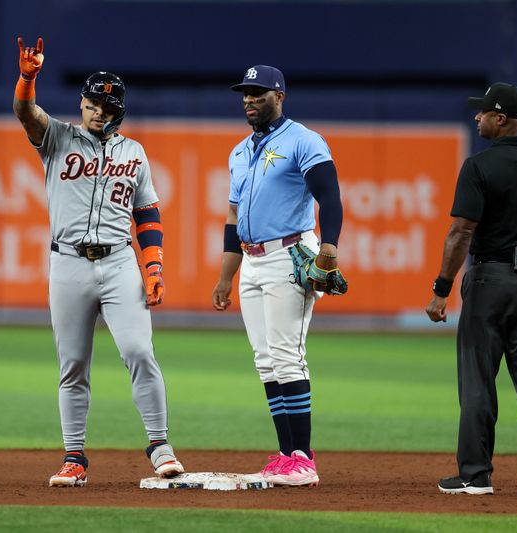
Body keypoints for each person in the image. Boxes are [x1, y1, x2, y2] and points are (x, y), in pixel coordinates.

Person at [13, 36, 184, 487]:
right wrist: (28, 78)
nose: (97, 111)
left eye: (106, 106)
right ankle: (74, 458)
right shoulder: (58, 137)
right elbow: (25, 113)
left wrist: (154, 267)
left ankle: (160, 445)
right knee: (72, 365)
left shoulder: (134, 153)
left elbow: (147, 214)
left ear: (118, 111)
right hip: (68, 264)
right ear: (82, 102)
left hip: (119, 263)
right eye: (92, 103)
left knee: (139, 351)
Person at [426, 83, 517, 497]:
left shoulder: (479, 166)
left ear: (501, 118)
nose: (478, 117)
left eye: (484, 112)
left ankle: (475, 475)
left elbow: (460, 231)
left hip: (490, 277)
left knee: (477, 378)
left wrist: (441, 289)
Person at [212, 65, 346, 487]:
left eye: (258, 92)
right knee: (266, 361)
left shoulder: (303, 140)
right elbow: (234, 217)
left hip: (290, 254)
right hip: (251, 261)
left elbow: (330, 196)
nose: (249, 99)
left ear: (279, 96)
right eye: (245, 93)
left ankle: (303, 460)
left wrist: (329, 248)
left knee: (288, 356)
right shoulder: (239, 151)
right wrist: (225, 277)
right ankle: (288, 455)